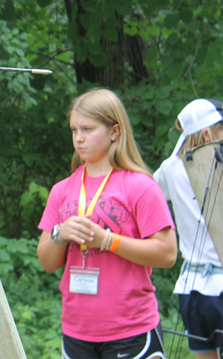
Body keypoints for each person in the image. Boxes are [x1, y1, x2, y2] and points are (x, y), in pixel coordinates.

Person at [37, 88, 177, 359]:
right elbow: (47, 263)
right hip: (77, 331)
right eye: (74, 130)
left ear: (114, 131)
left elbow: (167, 253)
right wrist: (60, 234)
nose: (79, 138)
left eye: (88, 129)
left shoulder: (140, 186)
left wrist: (108, 241)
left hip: (131, 330)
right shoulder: (61, 190)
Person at [154, 99, 223, 359]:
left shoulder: (171, 168)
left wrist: (181, 146)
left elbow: (153, 188)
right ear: (207, 133)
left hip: (192, 291)